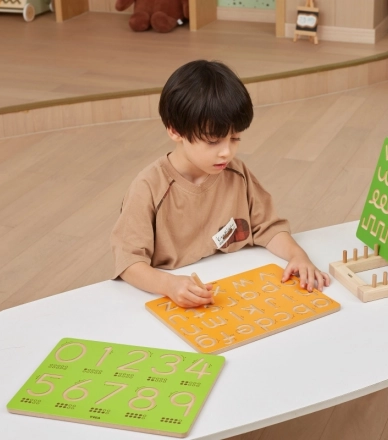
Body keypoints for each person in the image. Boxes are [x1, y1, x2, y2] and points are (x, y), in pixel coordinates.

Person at [110, 60, 330, 308]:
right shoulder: (149, 187)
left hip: (230, 291)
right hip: (170, 298)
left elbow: (267, 228)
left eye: (234, 138)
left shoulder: (236, 173)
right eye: (213, 141)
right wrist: (168, 285)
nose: (227, 152)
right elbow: (129, 262)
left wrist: (297, 255)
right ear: (175, 131)